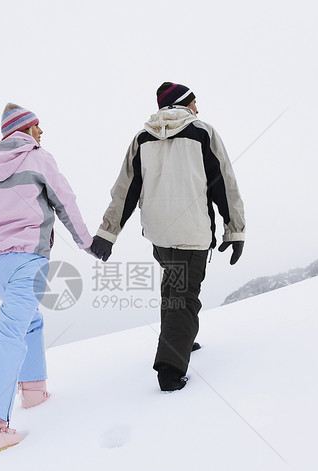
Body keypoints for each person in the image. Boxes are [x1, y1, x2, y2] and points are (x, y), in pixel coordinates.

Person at [90, 82, 246, 392]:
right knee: (183, 298)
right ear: (183, 103)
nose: (197, 109)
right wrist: (235, 229)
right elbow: (223, 184)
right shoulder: (203, 132)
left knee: (174, 287)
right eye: (194, 102)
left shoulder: (142, 138)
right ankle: (170, 370)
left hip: (159, 233)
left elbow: (126, 189)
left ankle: (181, 338)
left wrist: (107, 232)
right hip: (192, 230)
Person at [0, 103, 94, 456]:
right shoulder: (39, 158)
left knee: (30, 321)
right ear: (28, 129)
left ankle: (33, 391)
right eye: (38, 127)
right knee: (11, 334)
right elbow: (65, 202)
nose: (42, 133)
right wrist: (87, 242)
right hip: (27, 260)